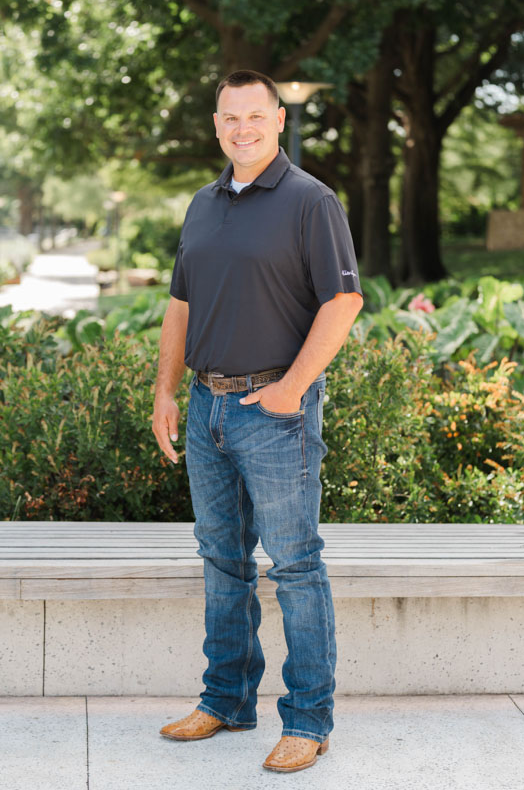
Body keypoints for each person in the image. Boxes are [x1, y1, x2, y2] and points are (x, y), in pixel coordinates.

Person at [152, 68, 363, 773]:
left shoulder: (311, 201)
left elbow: (342, 303)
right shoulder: (202, 203)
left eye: (254, 116)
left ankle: (308, 720)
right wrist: (166, 392)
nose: (241, 128)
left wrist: (291, 390)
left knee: (296, 566)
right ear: (216, 127)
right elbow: (180, 305)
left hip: (274, 412)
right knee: (222, 562)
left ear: (276, 120)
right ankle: (226, 699)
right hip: (207, 406)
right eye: (228, 118)